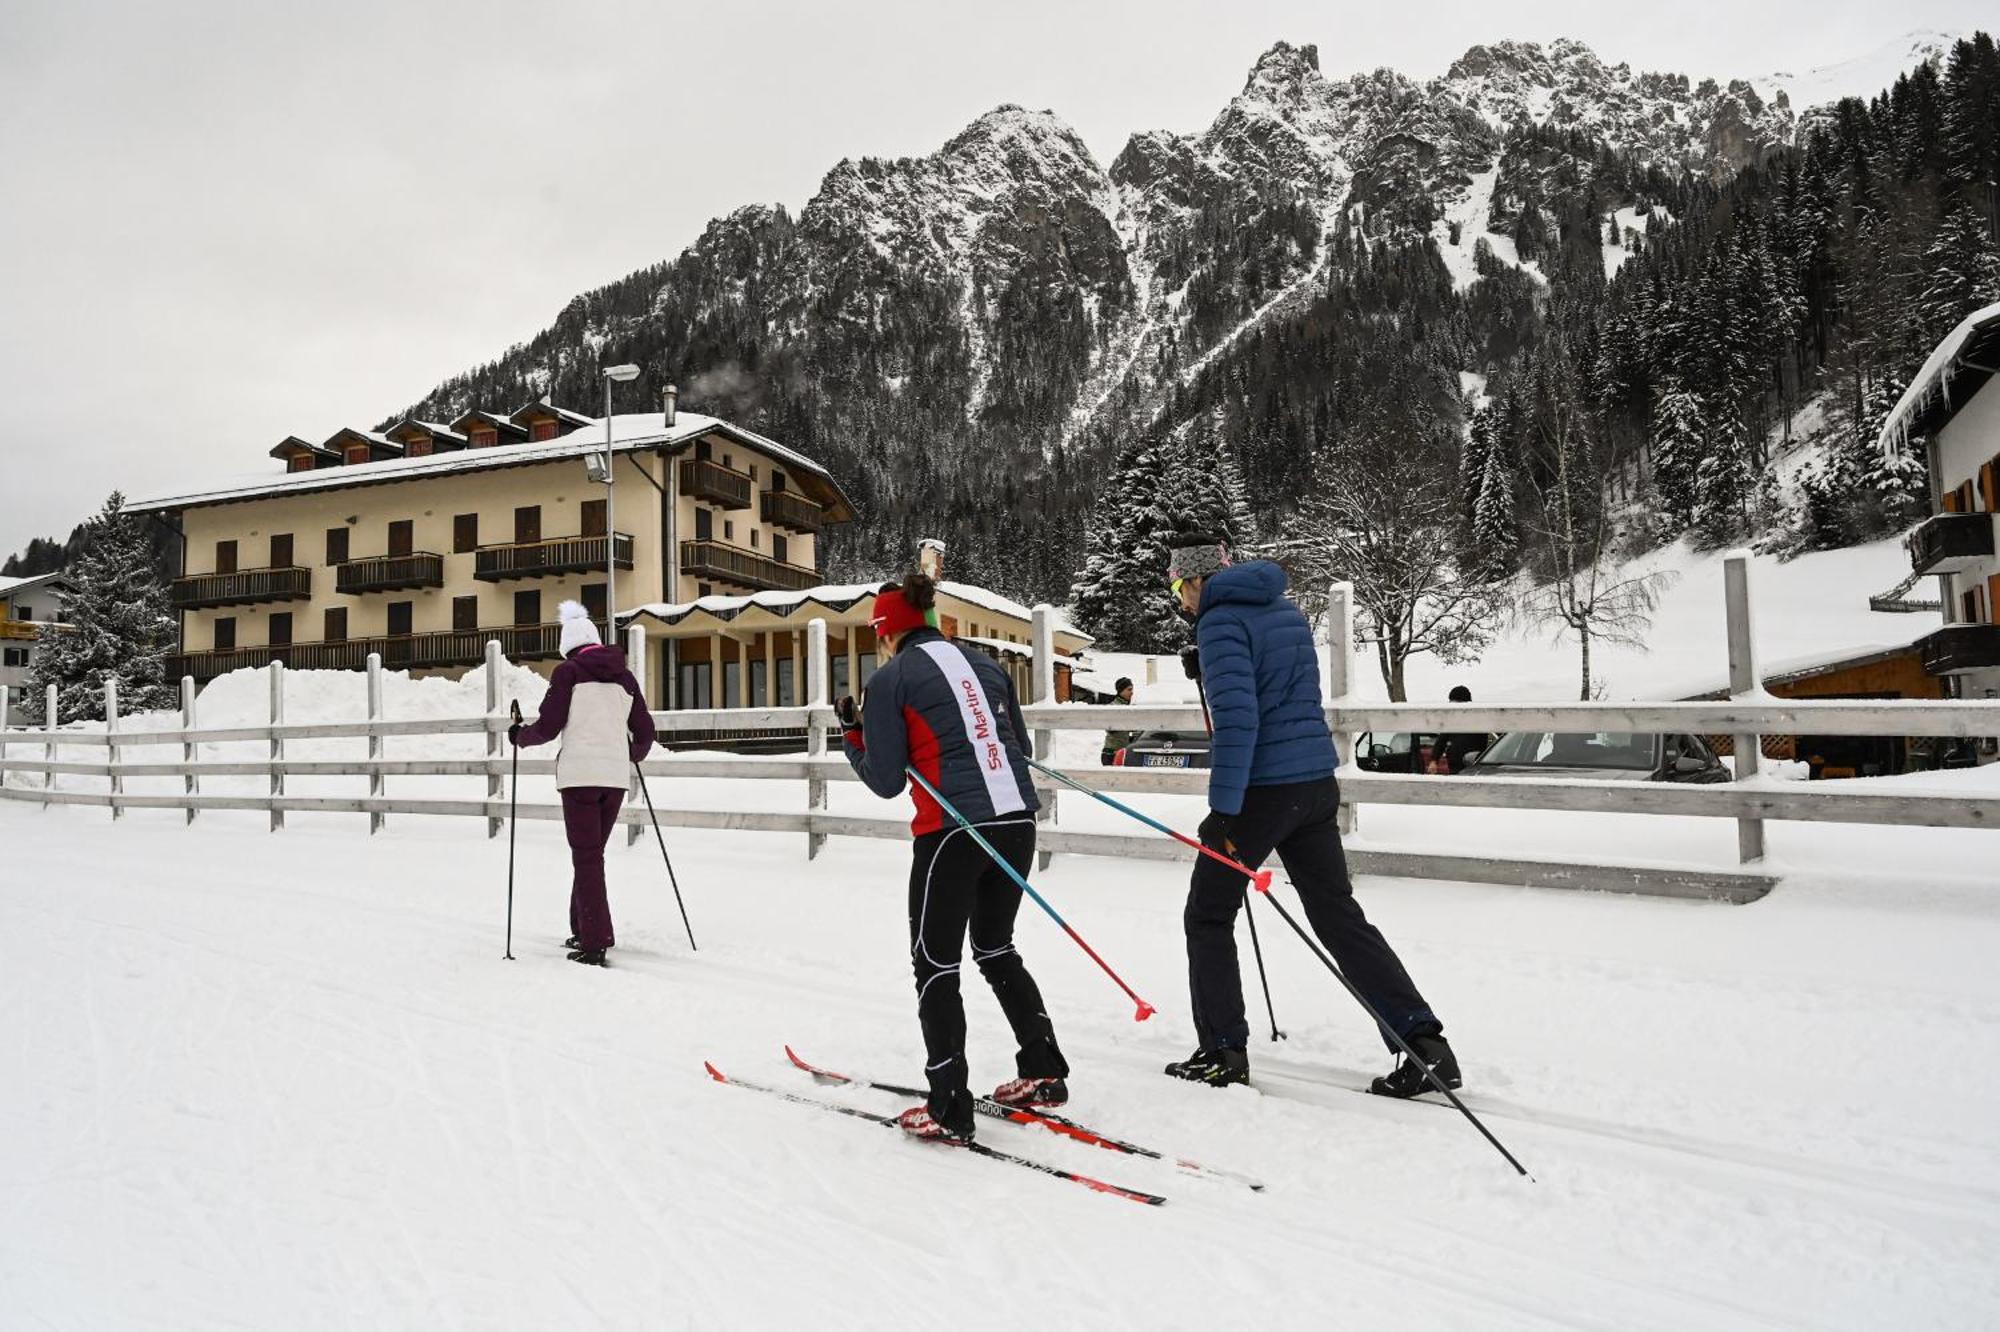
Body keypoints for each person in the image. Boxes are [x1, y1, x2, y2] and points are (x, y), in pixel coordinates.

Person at [1161, 533, 1460, 1098]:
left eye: (1179, 586)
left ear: (1199, 579)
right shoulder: (1284, 609)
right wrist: (1210, 670)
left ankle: (1222, 1051)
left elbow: (1240, 724)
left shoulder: (1219, 623)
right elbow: (1282, 692)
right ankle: (1424, 1045)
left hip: (1264, 792)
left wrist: (1222, 813)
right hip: (1315, 785)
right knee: (1337, 915)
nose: (1180, 600)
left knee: (1207, 913)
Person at [838, 571, 1070, 1142]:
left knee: (935, 963)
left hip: (953, 830)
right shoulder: (986, 665)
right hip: (1016, 821)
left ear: (887, 631)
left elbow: (888, 780)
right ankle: (1043, 1069)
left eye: (877, 635)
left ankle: (948, 1104)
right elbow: (1014, 741)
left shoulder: (891, 679)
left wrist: (853, 735)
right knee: (995, 946)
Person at [510, 600, 657, 967]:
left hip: (579, 778)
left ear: (569, 646)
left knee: (587, 856)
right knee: (592, 856)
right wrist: (632, 753)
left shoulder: (568, 673)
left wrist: (518, 736)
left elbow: (548, 727)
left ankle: (594, 942)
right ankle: (582, 927)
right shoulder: (625, 678)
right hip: (614, 779)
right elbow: (645, 731)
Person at [1429, 685, 1491, 775]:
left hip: (1474, 767)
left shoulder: (1479, 718)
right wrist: (1434, 760)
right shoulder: (1451, 720)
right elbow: (1441, 742)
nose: (1452, 705)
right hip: (1454, 767)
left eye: (1455, 702)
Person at [1100, 676, 1138, 765]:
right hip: (1111, 753)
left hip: (1122, 752)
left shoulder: (1126, 707)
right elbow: (1110, 728)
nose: (1132, 693)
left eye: (1132, 690)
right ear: (1121, 691)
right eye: (1129, 689)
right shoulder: (1114, 707)